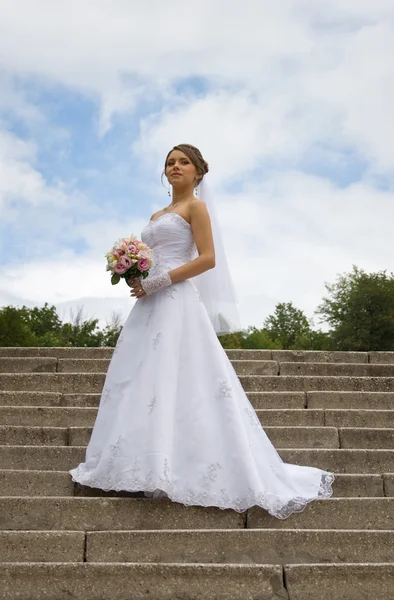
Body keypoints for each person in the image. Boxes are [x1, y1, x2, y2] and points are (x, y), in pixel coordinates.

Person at [69, 144, 334, 518]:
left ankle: (177, 465)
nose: (175, 167)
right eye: (170, 163)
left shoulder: (197, 207)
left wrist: (160, 280)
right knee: (140, 380)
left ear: (198, 173)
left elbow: (208, 259)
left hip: (176, 301)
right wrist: (133, 270)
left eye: (183, 162)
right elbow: (152, 257)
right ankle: (139, 464)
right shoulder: (156, 214)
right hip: (148, 304)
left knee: (179, 378)